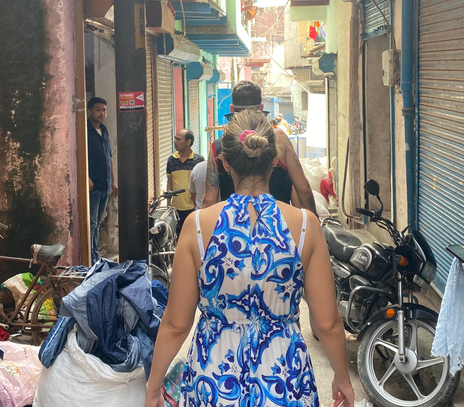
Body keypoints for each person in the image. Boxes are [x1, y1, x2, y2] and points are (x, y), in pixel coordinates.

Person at [145, 110, 353, 407]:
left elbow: (176, 324)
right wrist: (342, 377)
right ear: (274, 160)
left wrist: (154, 386)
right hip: (286, 379)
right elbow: (328, 324)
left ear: (225, 162)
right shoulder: (306, 226)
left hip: (213, 381)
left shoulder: (198, 226)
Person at [203, 80, 318, 216]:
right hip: (279, 224)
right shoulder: (280, 139)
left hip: (233, 226)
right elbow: (303, 189)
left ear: (232, 109)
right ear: (261, 107)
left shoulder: (219, 145)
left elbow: (209, 200)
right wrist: (313, 223)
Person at [87, 97, 117, 263]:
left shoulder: (104, 130)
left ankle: (95, 256)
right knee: (91, 225)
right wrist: (87, 178)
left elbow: (109, 157)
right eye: (98, 110)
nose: (102, 113)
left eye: (104, 110)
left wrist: (113, 181)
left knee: (98, 223)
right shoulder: (85, 131)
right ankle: (91, 259)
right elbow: (79, 157)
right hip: (93, 186)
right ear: (90, 111)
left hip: (105, 185)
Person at [166, 129, 204, 231]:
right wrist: (168, 205)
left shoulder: (199, 160)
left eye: (178, 139)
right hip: (176, 209)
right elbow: (169, 182)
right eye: (175, 139)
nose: (175, 141)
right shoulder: (171, 160)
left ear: (188, 142)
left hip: (193, 208)